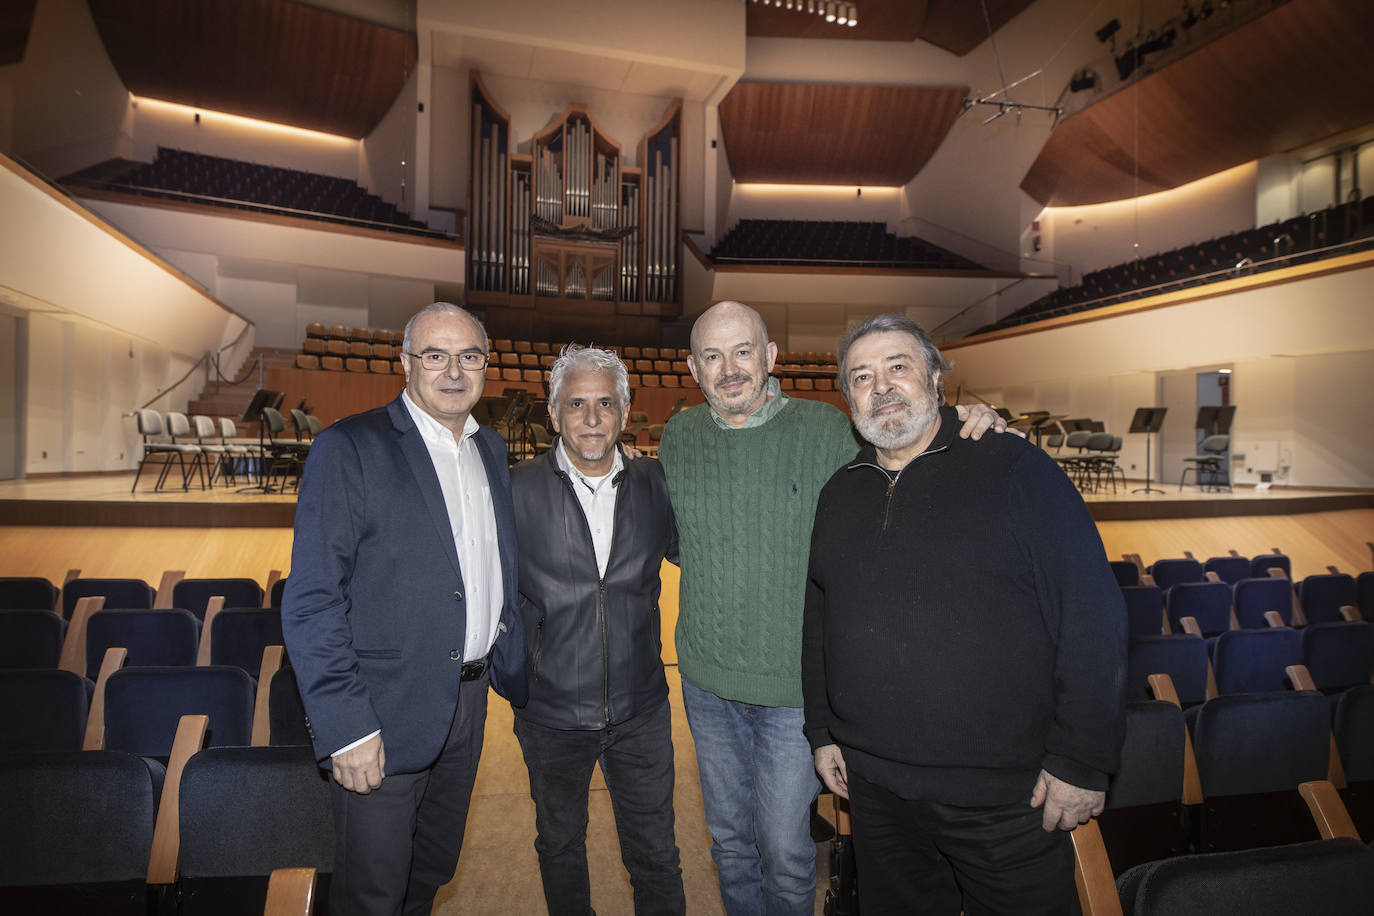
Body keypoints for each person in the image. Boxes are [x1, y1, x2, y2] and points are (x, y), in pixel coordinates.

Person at [656, 300, 1005, 915]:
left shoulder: (828, 431)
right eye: (712, 355)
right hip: (706, 683)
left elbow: (909, 436)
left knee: (787, 852)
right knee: (730, 843)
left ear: (770, 358)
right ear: (691, 367)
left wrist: (974, 421)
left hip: (793, 689)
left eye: (743, 352)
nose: (729, 368)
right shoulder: (678, 437)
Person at [802, 314, 1127, 915]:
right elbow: (819, 620)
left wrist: (1082, 760)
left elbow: (1092, 614)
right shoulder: (840, 491)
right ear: (849, 399)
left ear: (934, 375)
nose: (883, 386)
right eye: (862, 377)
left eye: (898, 366)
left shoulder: (1015, 470)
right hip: (876, 789)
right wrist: (822, 732)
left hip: (1005, 797)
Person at [281, 302, 528, 916]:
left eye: (469, 356)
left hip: (466, 702)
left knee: (431, 871)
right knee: (373, 894)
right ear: (405, 363)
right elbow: (312, 599)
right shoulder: (350, 447)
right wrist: (347, 726)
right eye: (435, 356)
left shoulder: (490, 449)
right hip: (380, 713)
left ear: (485, 366)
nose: (453, 371)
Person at [509, 345, 686, 915]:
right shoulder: (513, 491)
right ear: (553, 413)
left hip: (642, 712)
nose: (591, 419)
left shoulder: (658, 484)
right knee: (560, 846)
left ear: (626, 411)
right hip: (551, 714)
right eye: (576, 404)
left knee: (657, 856)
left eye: (604, 404)